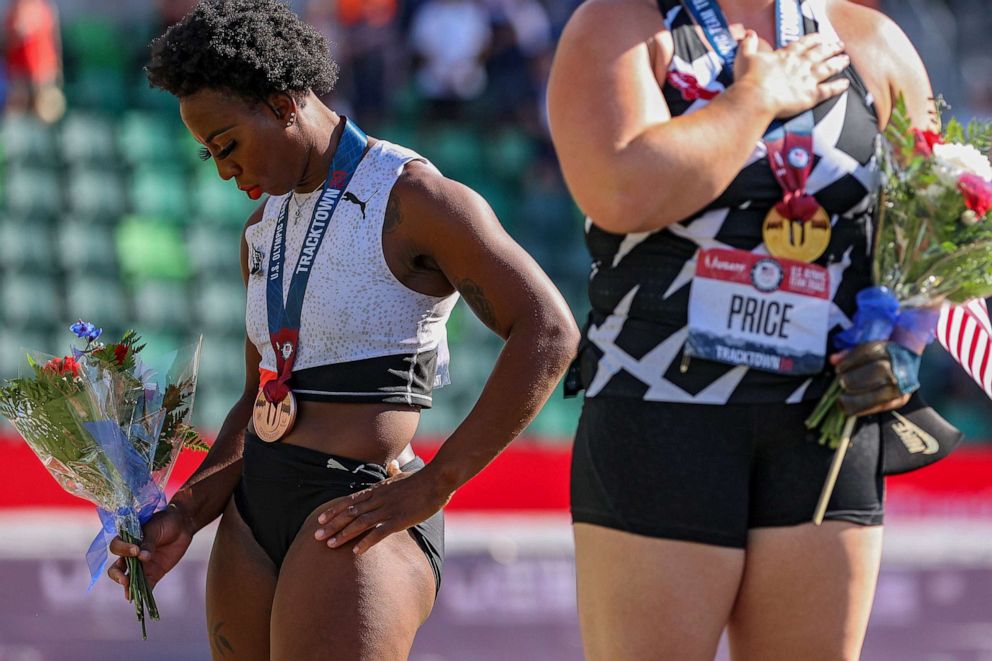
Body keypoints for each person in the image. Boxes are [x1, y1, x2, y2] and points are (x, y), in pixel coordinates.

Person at [106, 1, 578, 659]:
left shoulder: (413, 197)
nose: (221, 169)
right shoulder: (259, 232)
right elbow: (259, 398)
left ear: (280, 103)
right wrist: (186, 511)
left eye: (226, 145)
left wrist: (435, 484)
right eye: (209, 152)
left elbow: (549, 331)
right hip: (253, 514)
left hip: (358, 505)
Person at [547, 0, 936, 659]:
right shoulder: (620, 22)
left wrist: (905, 342)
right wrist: (754, 99)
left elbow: (940, 212)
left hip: (825, 422)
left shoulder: (866, 37)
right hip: (662, 411)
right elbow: (618, 190)